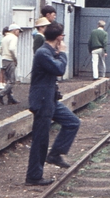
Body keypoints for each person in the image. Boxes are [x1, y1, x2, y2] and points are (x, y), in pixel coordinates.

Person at [25, 22, 81, 186]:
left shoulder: (49, 51)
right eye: (62, 36)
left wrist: (58, 53)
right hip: (42, 101)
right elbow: (59, 69)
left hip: (50, 100)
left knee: (72, 122)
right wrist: (63, 53)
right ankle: (34, 176)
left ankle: (55, 154)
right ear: (59, 37)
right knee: (40, 139)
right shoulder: (43, 53)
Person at [0, 24, 22, 105]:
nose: (19, 33)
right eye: (18, 31)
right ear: (14, 30)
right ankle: (0, 94)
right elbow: (12, 48)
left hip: (4, 59)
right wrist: (15, 59)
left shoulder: (4, 38)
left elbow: (0, 50)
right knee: (12, 81)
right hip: (10, 59)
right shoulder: (14, 37)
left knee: (8, 80)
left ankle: (10, 98)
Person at [0, 26, 9, 90]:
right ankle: (0, 82)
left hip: (5, 55)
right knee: (2, 70)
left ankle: (3, 82)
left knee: (5, 70)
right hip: (2, 55)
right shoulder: (2, 40)